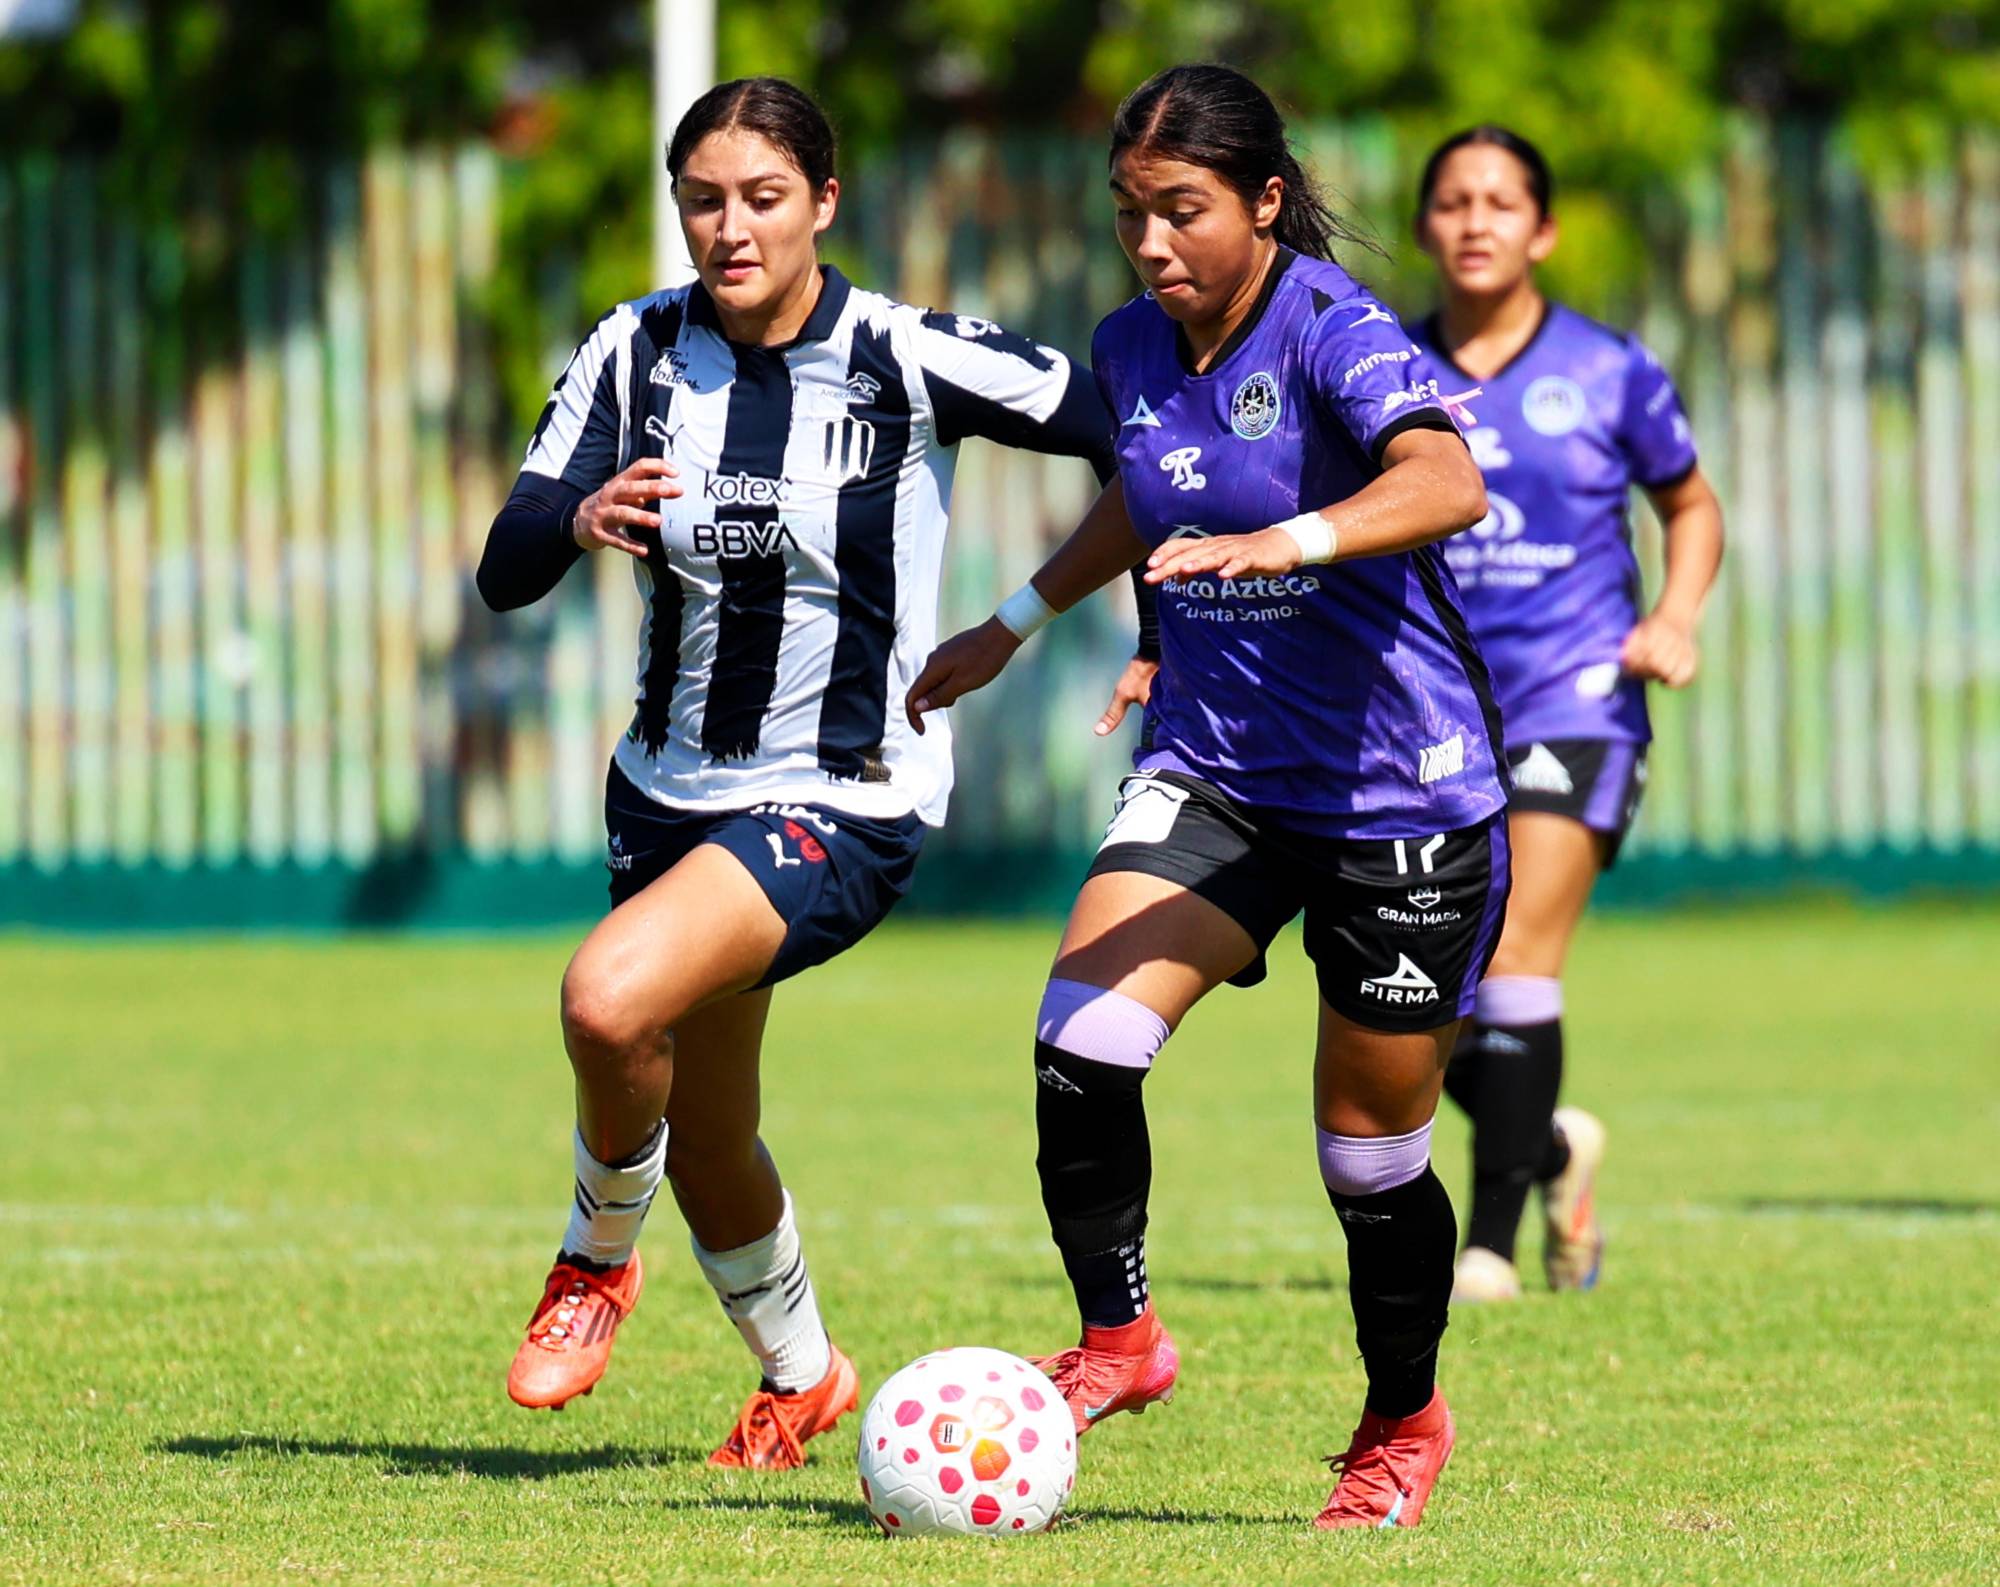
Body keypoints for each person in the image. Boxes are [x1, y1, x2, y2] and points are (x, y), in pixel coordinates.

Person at [475, 76, 1119, 1469]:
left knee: (605, 995)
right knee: (706, 1131)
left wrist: (1052, 620)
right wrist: (579, 512)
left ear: (825, 202)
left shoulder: (904, 352)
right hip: (666, 792)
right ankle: (807, 1371)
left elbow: (1145, 437)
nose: (729, 225)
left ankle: (594, 1255)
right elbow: (506, 560)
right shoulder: (635, 351)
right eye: (702, 199)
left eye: (762, 196)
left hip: (846, 792)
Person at [907, 64, 1507, 1529]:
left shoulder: (1333, 327)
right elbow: (1150, 489)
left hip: (1398, 794)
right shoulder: (1132, 344)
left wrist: (1290, 541)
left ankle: (1402, 1416)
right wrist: (1015, 622)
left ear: (1265, 199)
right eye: (1130, 216)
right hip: (1220, 771)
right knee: (1080, 1037)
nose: (1153, 244)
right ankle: (1123, 1337)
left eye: (1181, 211)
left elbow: (1446, 482)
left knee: (1368, 1157)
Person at [1409, 127, 1725, 1303]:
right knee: (1402, 979)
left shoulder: (1606, 369)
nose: (1475, 220)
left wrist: (1677, 615)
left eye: (1499, 202)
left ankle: (1487, 1247)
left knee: (1512, 963)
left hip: (1575, 695)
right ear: (1426, 227)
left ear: (1539, 230)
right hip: (1425, 708)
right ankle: (1545, 1147)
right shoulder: (1380, 364)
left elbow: (1689, 507)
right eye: (1451, 201)